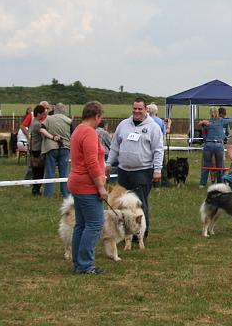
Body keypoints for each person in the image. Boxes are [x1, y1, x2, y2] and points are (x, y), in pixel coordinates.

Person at [106, 98, 163, 239]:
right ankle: (125, 234)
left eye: (140, 109)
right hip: (124, 171)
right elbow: (114, 146)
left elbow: (158, 150)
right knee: (122, 205)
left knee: (139, 204)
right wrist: (108, 163)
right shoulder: (123, 125)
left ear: (145, 110)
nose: (137, 111)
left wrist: (157, 170)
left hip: (143, 171)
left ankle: (141, 234)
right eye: (135, 108)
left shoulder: (153, 127)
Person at [67, 101, 108, 275]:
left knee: (81, 225)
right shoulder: (89, 133)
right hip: (87, 185)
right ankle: (85, 265)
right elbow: (91, 163)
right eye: (100, 118)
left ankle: (78, 262)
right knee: (94, 224)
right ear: (97, 116)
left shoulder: (77, 130)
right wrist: (101, 187)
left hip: (76, 182)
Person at [40, 103, 72, 198]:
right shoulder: (69, 121)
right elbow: (73, 134)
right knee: (64, 172)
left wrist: (52, 137)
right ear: (64, 110)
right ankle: (65, 194)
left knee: (50, 171)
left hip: (51, 147)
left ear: (55, 110)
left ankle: (48, 194)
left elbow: (41, 130)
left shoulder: (49, 118)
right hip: (65, 148)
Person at [198, 107, 232, 187]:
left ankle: (202, 184)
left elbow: (204, 133)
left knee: (206, 165)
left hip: (208, 145)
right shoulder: (221, 120)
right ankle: (220, 183)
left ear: (210, 113)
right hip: (219, 145)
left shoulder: (207, 122)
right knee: (220, 165)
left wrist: (206, 139)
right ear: (218, 112)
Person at [29, 105, 47, 196]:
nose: (44, 115)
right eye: (43, 113)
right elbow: (44, 135)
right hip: (38, 149)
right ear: (38, 113)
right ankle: (36, 190)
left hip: (34, 149)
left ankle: (36, 189)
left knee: (36, 170)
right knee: (39, 171)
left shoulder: (34, 121)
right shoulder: (37, 124)